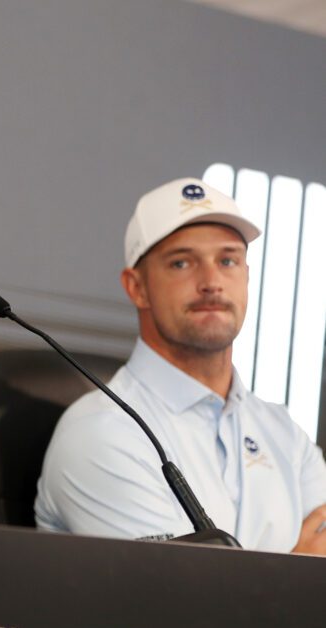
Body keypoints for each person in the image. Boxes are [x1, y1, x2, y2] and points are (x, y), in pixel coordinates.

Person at [35, 177, 326, 553]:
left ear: (247, 277)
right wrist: (301, 561)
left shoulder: (284, 432)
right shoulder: (103, 432)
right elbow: (187, 603)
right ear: (136, 287)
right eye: (182, 262)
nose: (211, 282)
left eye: (228, 260)